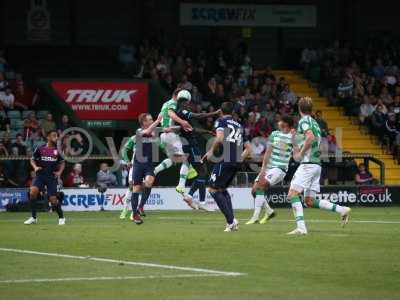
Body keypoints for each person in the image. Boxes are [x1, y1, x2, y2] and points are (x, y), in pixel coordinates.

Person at [286, 97, 351, 235]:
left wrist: (301, 153)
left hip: (308, 164)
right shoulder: (315, 122)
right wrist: (294, 140)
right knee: (309, 201)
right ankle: (342, 209)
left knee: (292, 194)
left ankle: (301, 228)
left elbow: (310, 138)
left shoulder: (304, 121)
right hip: (316, 165)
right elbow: (309, 140)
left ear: (299, 108)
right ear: (311, 109)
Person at [202, 102, 251, 232]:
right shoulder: (239, 125)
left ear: (220, 111)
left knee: (212, 189)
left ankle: (230, 222)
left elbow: (219, 138)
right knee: (222, 189)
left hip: (225, 159)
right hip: (236, 162)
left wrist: (211, 151)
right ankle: (232, 220)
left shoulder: (221, 121)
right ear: (233, 112)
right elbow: (248, 149)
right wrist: (239, 158)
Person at [173, 96, 220, 211]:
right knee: (203, 170)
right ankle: (200, 201)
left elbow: (193, 130)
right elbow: (198, 116)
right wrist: (214, 113)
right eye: (187, 103)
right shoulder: (182, 112)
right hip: (191, 147)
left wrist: (207, 131)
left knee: (202, 171)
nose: (188, 106)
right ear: (182, 104)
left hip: (192, 146)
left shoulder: (183, 117)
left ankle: (191, 196)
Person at [246, 115, 294, 225]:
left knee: (260, 185)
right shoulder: (274, 134)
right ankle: (269, 211)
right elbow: (268, 152)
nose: (278, 122)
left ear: (285, 123)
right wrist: (263, 169)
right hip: (269, 167)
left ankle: (255, 217)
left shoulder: (293, 136)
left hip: (279, 168)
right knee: (254, 191)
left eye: (280, 120)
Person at [154, 89, 196, 195]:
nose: (183, 102)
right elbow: (172, 115)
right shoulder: (173, 103)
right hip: (171, 134)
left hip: (164, 135)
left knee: (174, 159)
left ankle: (155, 170)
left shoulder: (165, 104)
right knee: (187, 158)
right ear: (177, 96)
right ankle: (181, 185)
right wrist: (182, 122)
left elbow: (159, 118)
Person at [24, 130, 65, 225]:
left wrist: (59, 172)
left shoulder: (58, 150)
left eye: (56, 136)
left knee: (53, 200)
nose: (56, 138)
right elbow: (32, 160)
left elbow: (62, 163)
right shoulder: (40, 149)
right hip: (40, 176)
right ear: (48, 137)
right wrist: (35, 167)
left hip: (51, 177)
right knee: (33, 192)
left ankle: (61, 217)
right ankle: (33, 218)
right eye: (54, 136)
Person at [130, 113, 161, 224]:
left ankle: (140, 207)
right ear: (144, 122)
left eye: (152, 119)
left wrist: (180, 126)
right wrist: (158, 120)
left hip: (149, 165)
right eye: (150, 119)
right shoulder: (139, 131)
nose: (152, 121)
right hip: (138, 165)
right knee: (136, 189)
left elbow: (166, 129)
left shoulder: (154, 131)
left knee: (148, 182)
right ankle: (135, 215)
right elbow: (147, 132)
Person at [119, 135, 136, 219]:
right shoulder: (135, 138)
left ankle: (134, 212)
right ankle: (125, 209)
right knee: (131, 187)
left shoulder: (152, 137)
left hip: (146, 166)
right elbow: (124, 150)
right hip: (135, 166)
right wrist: (127, 161)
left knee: (140, 188)